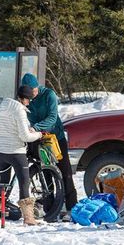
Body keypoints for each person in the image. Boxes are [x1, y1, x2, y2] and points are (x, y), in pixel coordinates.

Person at [23, 73, 79, 219]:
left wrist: (36, 127)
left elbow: (52, 118)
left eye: (34, 91)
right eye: (30, 93)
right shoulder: (27, 99)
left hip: (56, 137)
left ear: (37, 87)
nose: (32, 95)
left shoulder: (49, 95)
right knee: (46, 172)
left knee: (64, 171)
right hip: (39, 138)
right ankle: (50, 209)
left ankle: (72, 207)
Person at [0, 83, 42, 225]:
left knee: (3, 184)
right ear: (24, 99)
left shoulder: (4, 106)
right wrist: (39, 134)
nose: (29, 103)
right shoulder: (19, 111)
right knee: (24, 182)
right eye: (28, 100)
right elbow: (25, 137)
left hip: (2, 150)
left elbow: (11, 127)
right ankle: (29, 218)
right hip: (16, 152)